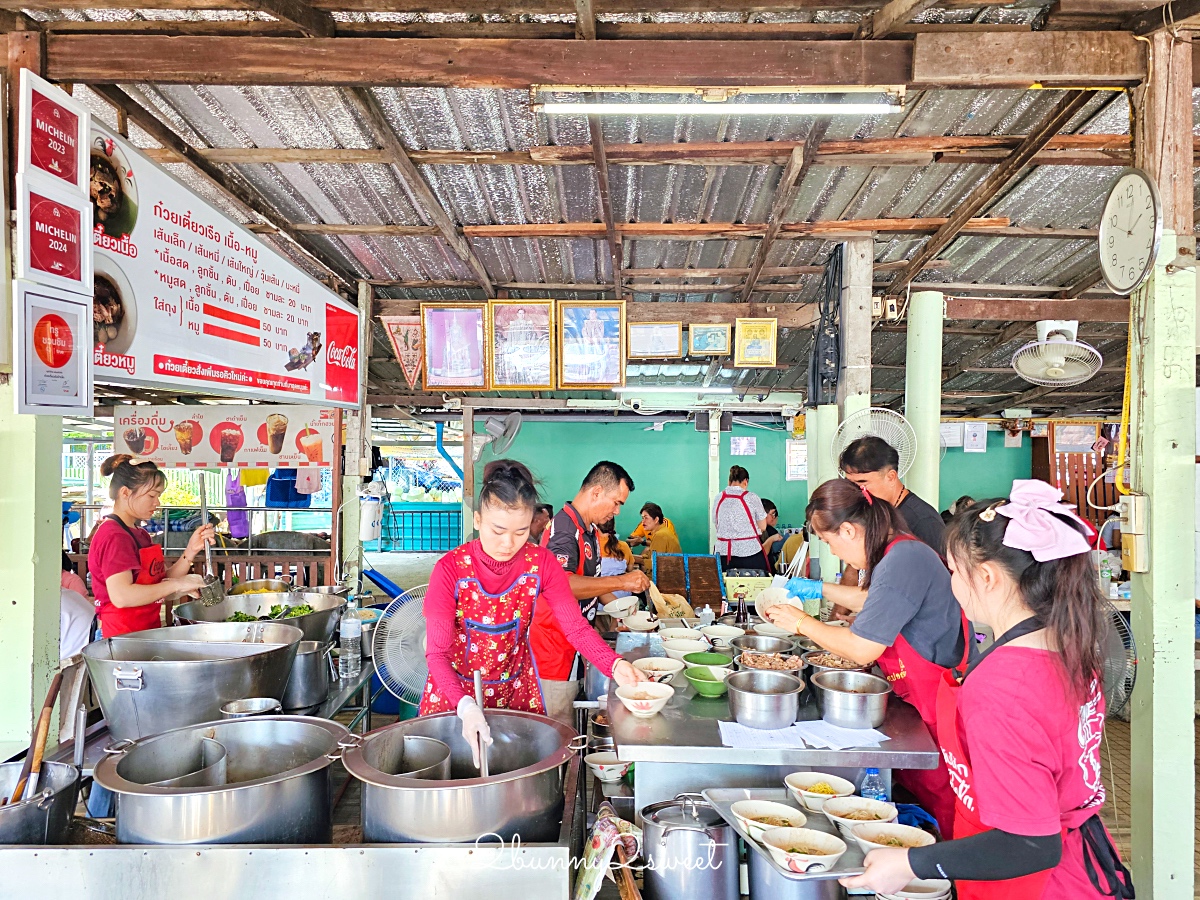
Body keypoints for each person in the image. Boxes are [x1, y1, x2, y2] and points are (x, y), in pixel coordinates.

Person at [842, 481, 1133, 900]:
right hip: (1080, 869)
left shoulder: (1006, 687)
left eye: (954, 572)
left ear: (988, 577)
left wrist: (910, 863)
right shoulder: (1067, 645)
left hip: (1035, 887)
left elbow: (1030, 843)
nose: (951, 585)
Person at [767, 479, 972, 837]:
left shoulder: (903, 558)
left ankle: (947, 879)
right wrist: (816, 588)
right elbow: (872, 600)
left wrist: (801, 622)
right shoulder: (899, 552)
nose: (836, 552)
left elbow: (862, 648)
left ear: (848, 529)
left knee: (947, 805)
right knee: (925, 802)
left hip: (940, 707)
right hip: (920, 703)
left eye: (831, 543)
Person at [421, 460, 647, 760]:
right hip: (453, 696)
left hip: (515, 692)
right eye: (497, 530)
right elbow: (437, 654)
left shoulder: (540, 563)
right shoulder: (449, 569)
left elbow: (575, 627)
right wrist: (465, 706)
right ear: (477, 519)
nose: (508, 544)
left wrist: (616, 666)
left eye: (521, 531)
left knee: (518, 785)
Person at [532, 461, 651, 724]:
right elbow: (564, 584)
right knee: (557, 728)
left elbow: (591, 583)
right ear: (596, 492)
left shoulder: (590, 532)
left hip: (577, 643)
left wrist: (621, 613)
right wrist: (622, 582)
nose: (617, 511)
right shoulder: (564, 529)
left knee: (573, 718)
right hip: (554, 651)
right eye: (616, 502)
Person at [87, 455, 212, 638]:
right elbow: (122, 596)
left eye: (158, 496)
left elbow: (160, 584)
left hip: (144, 633)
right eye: (152, 495)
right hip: (122, 639)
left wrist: (190, 551)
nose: (157, 503)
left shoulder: (140, 533)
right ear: (125, 493)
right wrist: (178, 584)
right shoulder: (114, 536)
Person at [840, 436, 946, 556]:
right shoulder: (872, 511)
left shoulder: (923, 521)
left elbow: (941, 571)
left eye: (862, 483)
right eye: (850, 483)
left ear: (891, 477)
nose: (855, 491)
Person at [713, 466, 770, 573]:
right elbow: (763, 527)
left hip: (723, 554)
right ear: (745, 481)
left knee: (725, 587)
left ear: (729, 481)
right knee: (754, 586)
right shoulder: (752, 497)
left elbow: (716, 523)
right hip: (750, 553)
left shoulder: (718, 497)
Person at [760, 499, 784, 570]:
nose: (774, 517)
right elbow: (761, 553)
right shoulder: (752, 531)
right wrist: (772, 539)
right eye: (772, 514)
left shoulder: (769, 530)